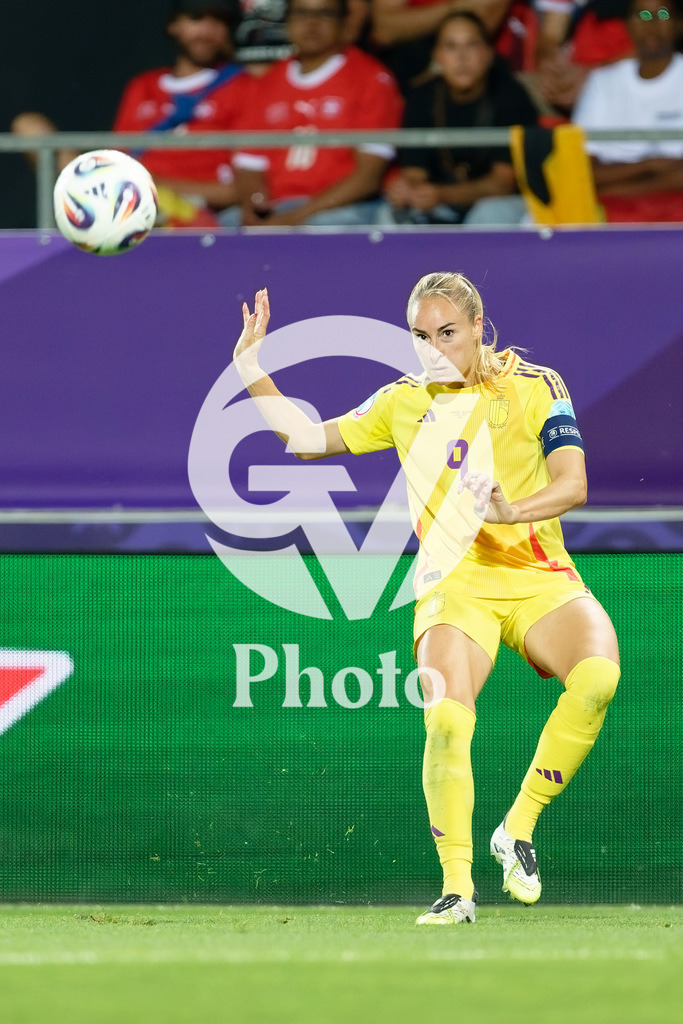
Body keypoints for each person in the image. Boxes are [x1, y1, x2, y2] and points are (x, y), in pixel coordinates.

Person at [233, 276, 620, 923]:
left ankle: (516, 830)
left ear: (476, 326)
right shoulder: (402, 401)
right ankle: (457, 888)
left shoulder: (536, 386)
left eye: (446, 332)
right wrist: (249, 365)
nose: (434, 347)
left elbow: (573, 482)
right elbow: (305, 440)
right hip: (454, 584)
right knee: (445, 719)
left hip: (539, 576)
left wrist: (510, 510)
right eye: (419, 335)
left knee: (598, 680)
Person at [12, 0, 251, 226]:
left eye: (219, 21)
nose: (207, 31)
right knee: (30, 125)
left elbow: (243, 188)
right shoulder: (143, 85)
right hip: (128, 198)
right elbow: (120, 157)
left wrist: (157, 187)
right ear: (174, 25)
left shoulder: (244, 86)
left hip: (194, 211)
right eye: (197, 18)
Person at [227, 0, 404, 226]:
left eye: (324, 13)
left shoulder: (372, 80)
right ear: (288, 21)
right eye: (302, 13)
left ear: (343, 21)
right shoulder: (266, 84)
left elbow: (367, 178)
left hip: (342, 208)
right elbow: (249, 165)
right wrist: (256, 206)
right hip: (279, 206)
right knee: (219, 227)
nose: (311, 23)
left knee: (322, 228)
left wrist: (295, 218)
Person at [378, 11, 539, 225]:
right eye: (451, 47)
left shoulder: (511, 95)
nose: (462, 57)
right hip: (441, 200)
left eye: (471, 45)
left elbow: (502, 184)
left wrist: (442, 194)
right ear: (437, 57)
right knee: (391, 213)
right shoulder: (422, 96)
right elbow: (414, 172)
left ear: (488, 53)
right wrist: (408, 190)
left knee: (489, 214)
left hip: (498, 201)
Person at [572, 0, 683, 222]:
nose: (651, 24)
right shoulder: (602, 82)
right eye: (641, 15)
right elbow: (581, 171)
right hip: (606, 212)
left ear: (679, 24)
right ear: (627, 25)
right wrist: (650, 165)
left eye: (662, 14)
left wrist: (612, 187)